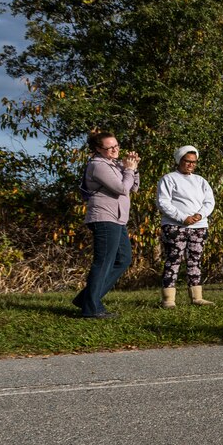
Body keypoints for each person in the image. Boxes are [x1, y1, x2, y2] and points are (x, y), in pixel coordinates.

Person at [72, 131, 140, 319]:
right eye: (110, 147)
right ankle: (91, 308)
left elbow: (134, 187)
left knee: (123, 259)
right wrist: (128, 171)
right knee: (103, 262)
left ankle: (86, 298)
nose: (115, 149)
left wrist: (133, 168)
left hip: (118, 218)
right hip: (104, 217)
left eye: (116, 145)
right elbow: (121, 188)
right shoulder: (97, 165)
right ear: (98, 149)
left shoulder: (115, 164)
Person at [156, 145, 216, 308]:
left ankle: (197, 297)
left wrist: (199, 215)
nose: (190, 165)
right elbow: (163, 202)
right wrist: (182, 218)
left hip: (199, 226)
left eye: (194, 162)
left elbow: (209, 202)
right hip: (175, 226)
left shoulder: (200, 180)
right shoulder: (169, 179)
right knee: (173, 260)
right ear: (179, 161)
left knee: (195, 260)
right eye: (187, 161)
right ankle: (168, 299)